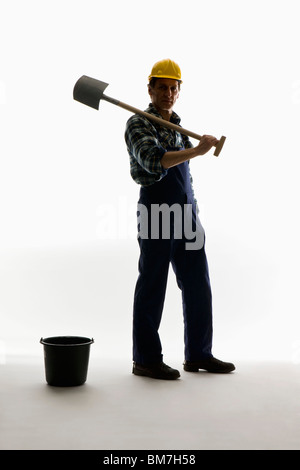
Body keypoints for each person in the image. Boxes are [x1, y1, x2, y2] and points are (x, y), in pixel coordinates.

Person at [124, 59, 235, 380]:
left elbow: (184, 173)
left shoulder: (177, 124)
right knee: (153, 283)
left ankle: (199, 354)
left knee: (198, 282)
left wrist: (192, 204)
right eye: (162, 87)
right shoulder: (138, 123)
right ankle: (145, 359)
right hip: (157, 211)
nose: (168, 93)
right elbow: (155, 159)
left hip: (187, 212)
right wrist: (198, 151)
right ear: (150, 89)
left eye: (174, 88)